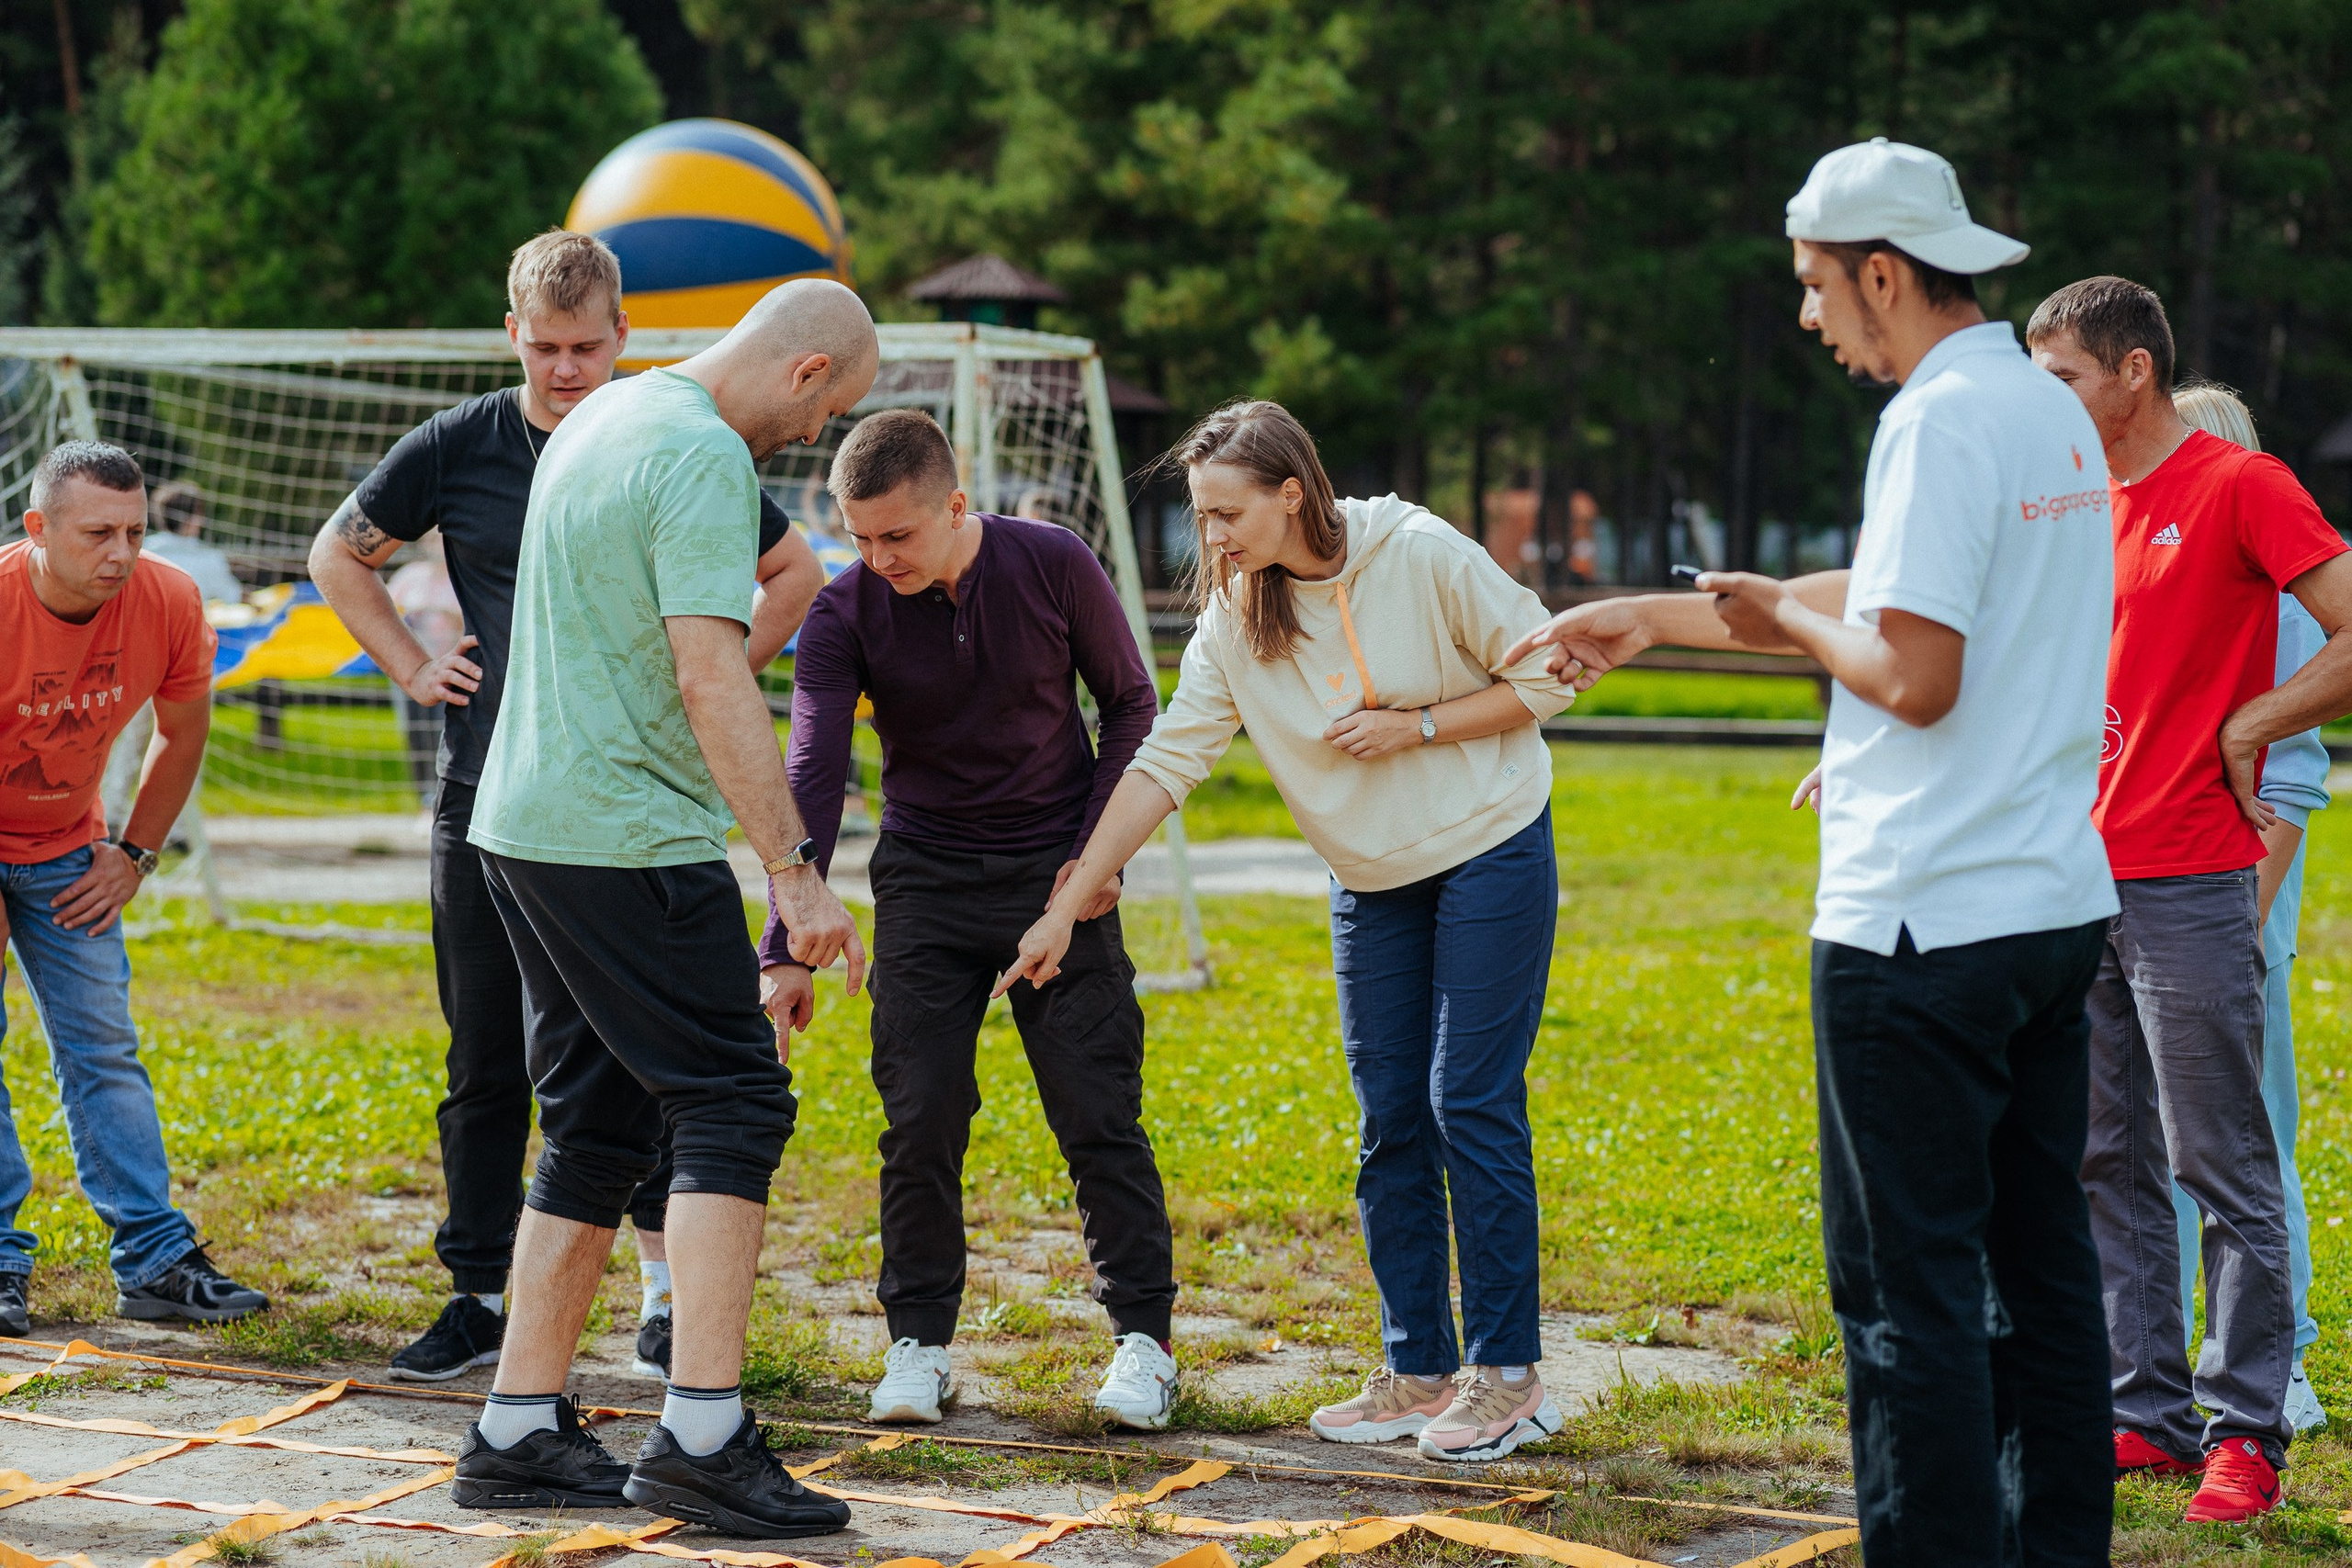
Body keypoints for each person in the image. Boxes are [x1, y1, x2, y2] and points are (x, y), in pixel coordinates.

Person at [1511, 140, 2120, 1562]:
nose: (1809, 316)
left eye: (1815, 286)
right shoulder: (2046, 411)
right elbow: (1911, 591)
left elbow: (1912, 671)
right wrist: (1661, 615)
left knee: (1906, 1299)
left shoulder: (1929, 421)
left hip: (1917, 926)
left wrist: (1786, 623)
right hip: (2044, 908)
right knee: (2045, 1276)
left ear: (1886, 273)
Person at [1000, 399, 1577, 1462]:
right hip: (1370, 877)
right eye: (1200, 517)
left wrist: (1420, 727)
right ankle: (1418, 1370)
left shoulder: (1420, 554)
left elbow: (1552, 672)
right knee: (1389, 1118)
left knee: (1469, 1100)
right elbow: (1169, 757)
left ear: (1291, 494)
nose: (1210, 538)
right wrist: (1071, 894)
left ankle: (1511, 1378)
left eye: (1226, 514)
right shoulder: (1235, 617)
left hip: (1490, 842)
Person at [309, 230, 826, 1385]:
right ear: (511, 340)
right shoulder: (471, 444)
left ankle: (629, 1328)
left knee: (628, 1080)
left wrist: (711, 669)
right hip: (500, 792)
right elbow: (338, 555)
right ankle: (485, 1305)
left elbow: (780, 590)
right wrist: (409, 662)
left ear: (622, 339)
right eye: (544, 349)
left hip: (612, 800)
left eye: (586, 346)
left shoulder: (642, 438)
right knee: (503, 1055)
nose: (565, 369)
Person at [446, 277, 876, 1537]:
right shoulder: (694, 455)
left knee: (600, 1119)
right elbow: (710, 673)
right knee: (734, 1098)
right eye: (828, 411)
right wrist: (794, 873)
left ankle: (516, 1424)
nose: (810, 439)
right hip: (625, 833)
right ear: (806, 374)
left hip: (525, 825)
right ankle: (701, 1434)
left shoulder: (602, 419)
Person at [757, 409, 1178, 1429]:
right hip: (926, 884)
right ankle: (918, 1346)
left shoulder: (1054, 563)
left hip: (1057, 878)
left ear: (955, 505)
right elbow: (812, 767)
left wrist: (1092, 862)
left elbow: (1130, 704)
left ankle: (1143, 1345)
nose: (875, 557)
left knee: (1096, 1111)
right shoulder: (848, 609)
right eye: (857, 537)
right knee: (921, 1118)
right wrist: (787, 941)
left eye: (896, 536)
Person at [2028, 276, 2352, 1521]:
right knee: (2107, 1152)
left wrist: (2256, 720)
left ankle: (2249, 1429)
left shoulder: (2239, 483)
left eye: (2059, 378)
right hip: (2077, 875)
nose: (2042, 403)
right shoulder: (2077, 501)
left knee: (2220, 1156)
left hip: (2191, 875)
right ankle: (2146, 1408)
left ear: (2132, 373)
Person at [0, 441, 270, 1338]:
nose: (120, 552)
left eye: (134, 530)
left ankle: (155, 1260)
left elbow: (180, 733)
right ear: (37, 529)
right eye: (97, 533)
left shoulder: (167, 600)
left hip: (68, 852)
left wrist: (134, 854)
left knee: (104, 1047)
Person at [2165, 382, 2330, 1438]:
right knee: (2159, 1151)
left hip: (2227, 918)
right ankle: (2163, 1359)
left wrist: (2235, 934)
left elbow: (2291, 793)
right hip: (2162, 912)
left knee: (2248, 1140)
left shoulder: (2270, 601)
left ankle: (2286, 1366)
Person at [101, 480, 238, 838]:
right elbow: (233, 603)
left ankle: (112, 814)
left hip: (138, 662)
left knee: (131, 740)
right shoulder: (209, 560)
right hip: (190, 669)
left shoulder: (142, 554)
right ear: (194, 519)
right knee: (186, 743)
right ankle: (177, 829)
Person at [386, 531, 464, 809]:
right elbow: (387, 613)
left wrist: (445, 615)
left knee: (445, 734)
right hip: (411, 668)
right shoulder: (409, 577)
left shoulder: (461, 577)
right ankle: (424, 801)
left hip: (451, 671)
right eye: (431, 541)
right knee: (416, 735)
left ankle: (446, 800)